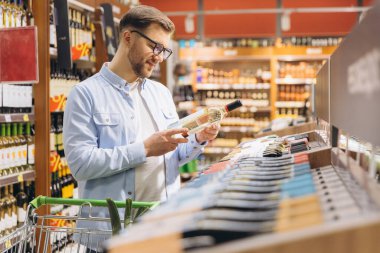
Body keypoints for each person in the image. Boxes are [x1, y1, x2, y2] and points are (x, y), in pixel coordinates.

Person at [63, 5, 219, 252]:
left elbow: (173, 155)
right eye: (154, 46)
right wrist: (144, 149)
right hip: (111, 236)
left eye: (164, 51)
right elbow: (81, 165)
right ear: (128, 37)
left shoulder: (161, 94)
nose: (159, 56)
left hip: (161, 229)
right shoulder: (85, 95)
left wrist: (198, 139)